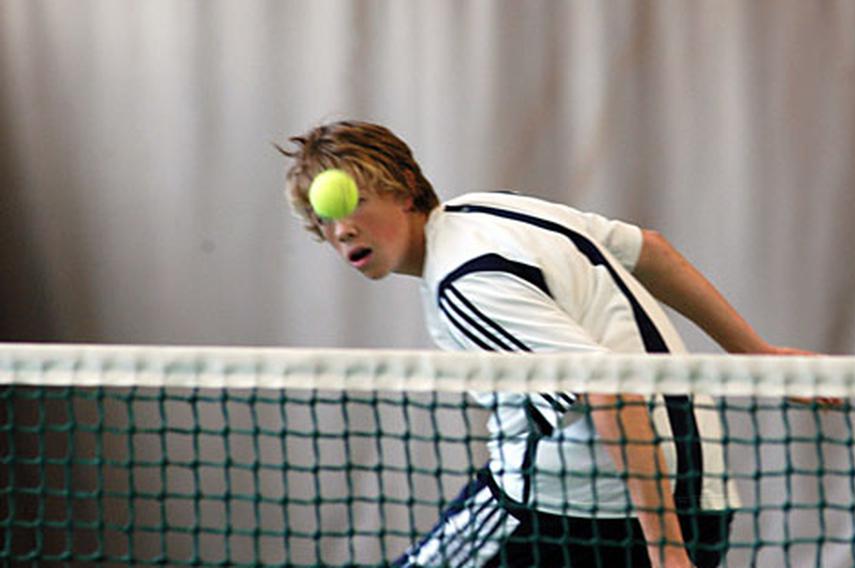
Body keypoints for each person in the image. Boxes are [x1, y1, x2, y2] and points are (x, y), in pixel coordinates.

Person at [278, 120, 806, 567]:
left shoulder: (465, 283)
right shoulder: (493, 212)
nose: (340, 230)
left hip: (586, 519)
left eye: (354, 202)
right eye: (323, 216)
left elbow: (609, 388)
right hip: (703, 498)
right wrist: (756, 353)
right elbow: (653, 250)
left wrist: (665, 552)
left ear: (408, 190)